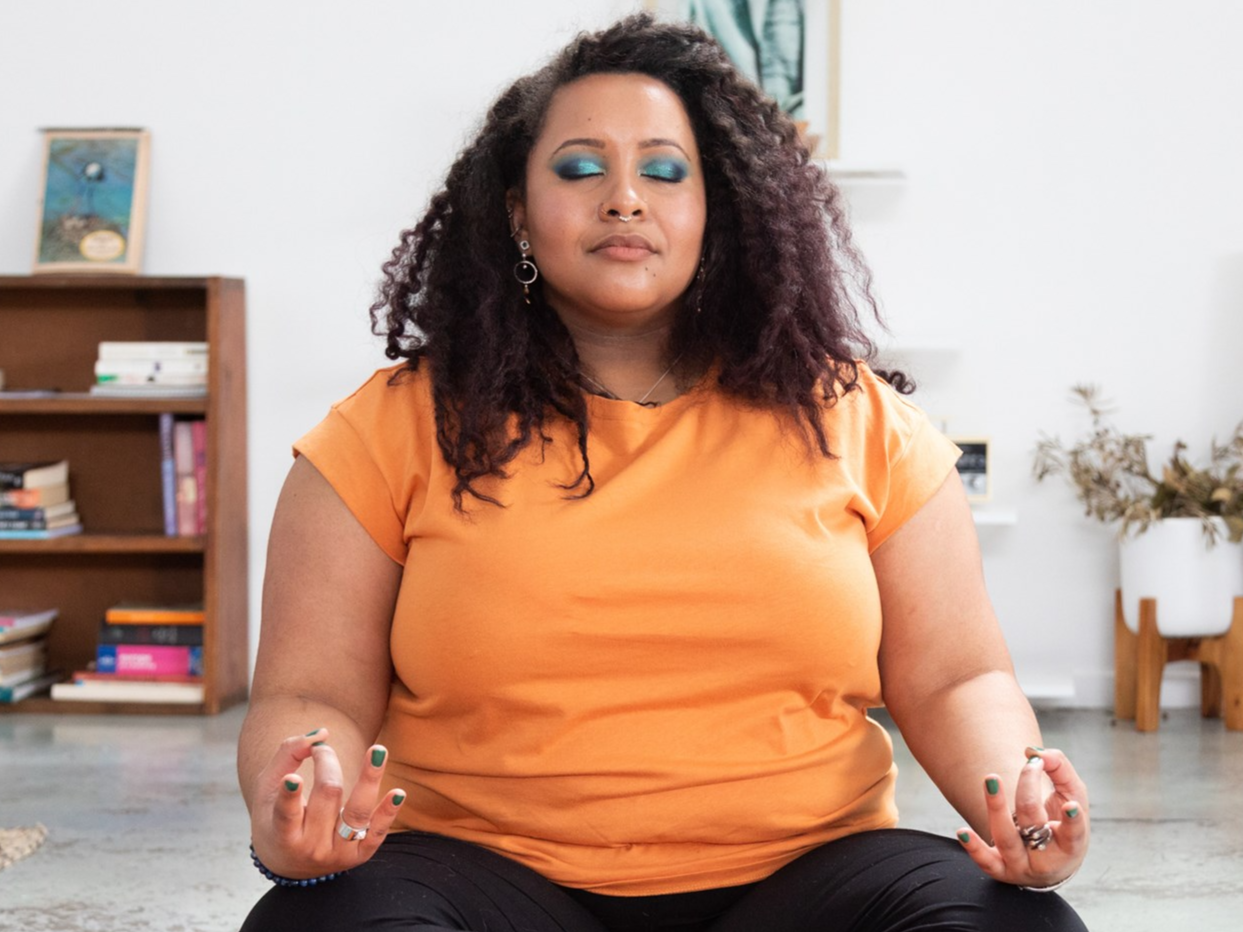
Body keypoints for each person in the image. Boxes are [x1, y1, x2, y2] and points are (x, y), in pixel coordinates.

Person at [239, 13, 1090, 932]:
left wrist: (1021, 803)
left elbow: (955, 679)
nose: (624, 198)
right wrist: (295, 803)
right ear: (517, 213)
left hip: (804, 881)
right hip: (481, 878)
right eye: (578, 168)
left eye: (663, 169)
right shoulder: (388, 429)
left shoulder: (858, 420)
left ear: (713, 209)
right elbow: (308, 689)